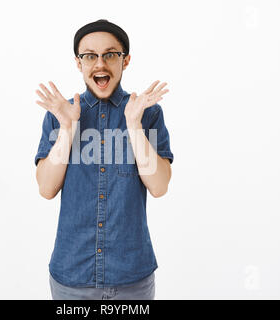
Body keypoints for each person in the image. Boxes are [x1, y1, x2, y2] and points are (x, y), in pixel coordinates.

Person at [34, 19, 174, 300]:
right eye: (90, 56)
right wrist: (66, 127)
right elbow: (46, 189)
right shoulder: (59, 114)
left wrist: (133, 125)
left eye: (110, 54)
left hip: (132, 277)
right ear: (79, 63)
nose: (100, 64)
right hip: (71, 276)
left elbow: (159, 186)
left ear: (126, 60)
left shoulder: (147, 114)